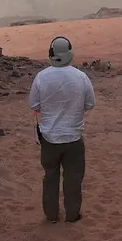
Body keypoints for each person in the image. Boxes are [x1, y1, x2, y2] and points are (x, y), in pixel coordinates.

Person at [28, 36, 95, 223]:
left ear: (51, 54)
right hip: (73, 137)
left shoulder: (41, 77)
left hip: (49, 138)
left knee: (50, 177)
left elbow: (33, 104)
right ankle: (72, 215)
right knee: (73, 178)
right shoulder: (81, 77)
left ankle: (51, 216)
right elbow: (90, 104)